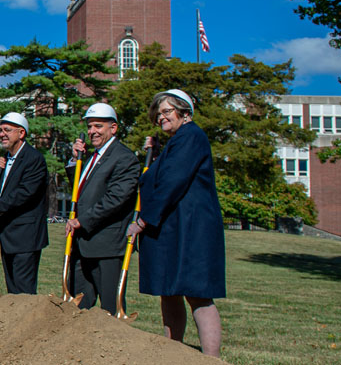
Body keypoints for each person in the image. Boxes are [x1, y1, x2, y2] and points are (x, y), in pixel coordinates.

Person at [128, 89, 224, 357]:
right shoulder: (178, 140)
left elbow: (173, 182)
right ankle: (173, 353)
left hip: (190, 231)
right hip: (173, 230)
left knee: (197, 293)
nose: (161, 117)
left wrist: (143, 220)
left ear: (185, 112)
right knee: (169, 291)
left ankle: (211, 359)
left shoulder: (191, 136)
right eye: (158, 114)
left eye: (167, 112)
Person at [64, 103, 140, 313]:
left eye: (98, 126)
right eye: (89, 127)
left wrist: (83, 220)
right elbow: (82, 191)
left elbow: (116, 198)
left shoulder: (124, 158)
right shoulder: (92, 157)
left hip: (107, 244)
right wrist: (74, 160)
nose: (92, 131)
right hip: (82, 244)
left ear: (113, 128)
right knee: (79, 305)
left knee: (109, 308)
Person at [0, 112, 48, 295]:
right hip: (8, 235)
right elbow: (1, 193)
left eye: (7, 130)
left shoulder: (34, 159)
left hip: (26, 236)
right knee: (12, 290)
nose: (2, 134)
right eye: (0, 130)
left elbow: (23, 194)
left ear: (21, 133)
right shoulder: (6, 160)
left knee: (24, 293)